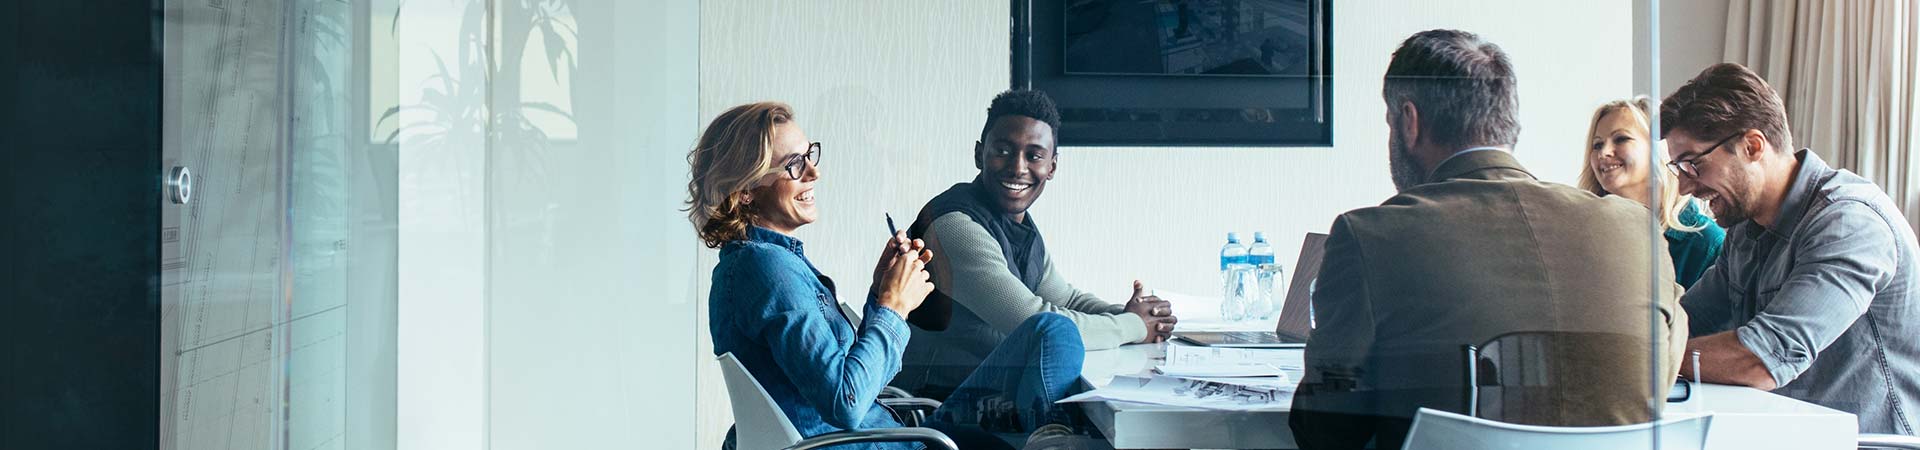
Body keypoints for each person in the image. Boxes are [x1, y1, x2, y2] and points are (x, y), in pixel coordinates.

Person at [1288, 29, 1689, 450]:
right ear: (1508, 121)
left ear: (1409, 122)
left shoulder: (1369, 235)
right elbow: (1656, 378)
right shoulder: (1636, 229)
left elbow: (1325, 430)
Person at [688, 102, 1086, 449]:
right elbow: (846, 401)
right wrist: (893, 310)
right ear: (744, 190)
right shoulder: (766, 269)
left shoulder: (765, 263)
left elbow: (843, 380)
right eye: (794, 165)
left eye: (810, 155)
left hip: (892, 434)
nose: (813, 173)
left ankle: (1048, 438)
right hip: (884, 444)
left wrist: (880, 294)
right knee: (1051, 338)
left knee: (1050, 332)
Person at [1661, 63, 1920, 435]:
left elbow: (1762, 359)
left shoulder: (1849, 223)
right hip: (1791, 433)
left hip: (1869, 442)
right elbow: (1686, 321)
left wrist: (1650, 356)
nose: (1684, 187)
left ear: (1752, 146)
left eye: (1692, 164)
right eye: (1678, 168)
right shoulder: (1745, 231)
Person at [890, 90, 1178, 402]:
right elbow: (1036, 321)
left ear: (1052, 167)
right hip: (935, 406)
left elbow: (1063, 297)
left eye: (1034, 155)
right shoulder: (955, 226)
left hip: (985, 397)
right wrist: (1134, 325)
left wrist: (1136, 315)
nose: (1017, 167)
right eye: (1003, 150)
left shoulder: (1017, 223)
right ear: (978, 154)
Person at [1576, 97, 1726, 288]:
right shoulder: (1584, 233)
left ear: (1660, 149)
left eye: (1621, 139)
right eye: (1597, 144)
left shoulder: (1705, 243)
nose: (1603, 152)